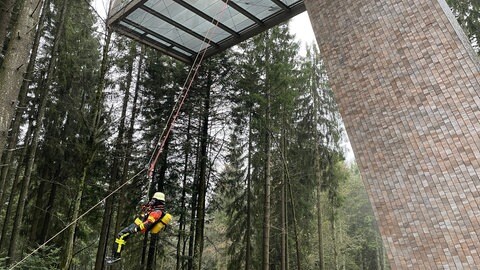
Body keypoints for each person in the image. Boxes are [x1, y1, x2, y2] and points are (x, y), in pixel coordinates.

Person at [107, 192, 172, 264]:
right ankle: (115, 255)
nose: (152, 201)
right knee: (122, 237)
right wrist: (146, 206)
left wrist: (136, 229)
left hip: (138, 226)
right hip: (136, 224)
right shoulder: (154, 208)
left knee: (121, 236)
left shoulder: (157, 212)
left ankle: (116, 257)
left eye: (154, 200)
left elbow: (149, 223)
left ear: (158, 201)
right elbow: (144, 212)